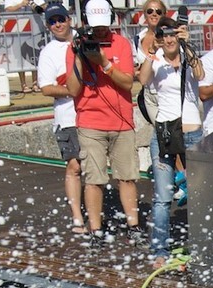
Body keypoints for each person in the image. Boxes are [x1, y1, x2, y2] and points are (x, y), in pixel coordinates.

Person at [65, 0, 140, 238]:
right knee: (94, 180)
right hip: (90, 121)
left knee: (127, 176)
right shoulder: (74, 47)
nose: (99, 32)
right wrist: (79, 57)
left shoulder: (122, 44)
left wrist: (104, 63)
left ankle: (133, 226)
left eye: (103, 26)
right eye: (95, 27)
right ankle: (95, 228)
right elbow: (73, 89)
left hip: (122, 122)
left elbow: (128, 82)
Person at [137, 17, 204, 267]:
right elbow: (143, 81)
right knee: (162, 197)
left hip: (192, 131)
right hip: (164, 133)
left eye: (172, 34)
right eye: (164, 35)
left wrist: (189, 46)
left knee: (199, 193)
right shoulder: (156, 62)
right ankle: (159, 250)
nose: (169, 39)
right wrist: (151, 53)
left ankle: (202, 245)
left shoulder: (188, 56)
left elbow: (200, 75)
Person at [36, 3, 83, 232]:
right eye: (53, 21)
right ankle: (77, 218)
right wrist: (72, 90)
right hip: (67, 117)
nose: (58, 24)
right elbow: (46, 88)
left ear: (69, 19)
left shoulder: (83, 40)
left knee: (95, 167)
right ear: (47, 25)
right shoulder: (48, 52)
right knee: (74, 166)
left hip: (93, 114)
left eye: (61, 19)